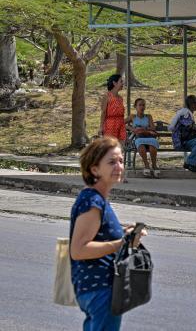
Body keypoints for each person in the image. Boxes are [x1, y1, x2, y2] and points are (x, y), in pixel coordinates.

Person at [70, 137, 146, 331]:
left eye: (121, 161)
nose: (119, 166)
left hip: (99, 289)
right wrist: (119, 244)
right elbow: (78, 250)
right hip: (100, 290)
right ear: (94, 169)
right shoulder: (92, 202)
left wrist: (126, 234)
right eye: (111, 162)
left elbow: (99, 236)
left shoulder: (98, 200)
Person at [168, 95, 196, 172]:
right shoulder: (185, 114)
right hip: (182, 142)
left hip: (191, 140)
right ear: (191, 104)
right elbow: (192, 127)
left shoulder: (190, 114)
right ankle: (189, 163)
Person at [126, 98, 160, 178]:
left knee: (152, 145)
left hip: (148, 136)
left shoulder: (148, 116)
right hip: (139, 138)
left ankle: (154, 165)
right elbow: (121, 123)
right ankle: (147, 165)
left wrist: (143, 129)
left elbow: (153, 128)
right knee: (141, 145)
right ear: (135, 106)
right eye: (140, 105)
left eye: (143, 105)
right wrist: (131, 128)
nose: (142, 107)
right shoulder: (132, 117)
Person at [99, 74, 126, 142]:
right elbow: (103, 112)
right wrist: (101, 127)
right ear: (114, 83)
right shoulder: (107, 96)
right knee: (110, 146)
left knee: (120, 147)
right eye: (121, 81)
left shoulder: (120, 98)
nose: (123, 83)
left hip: (121, 124)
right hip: (110, 124)